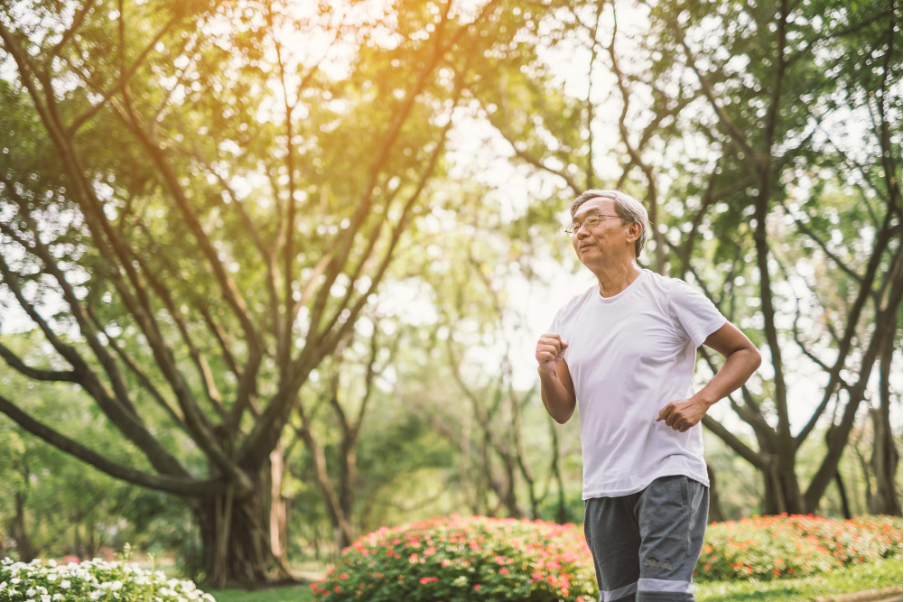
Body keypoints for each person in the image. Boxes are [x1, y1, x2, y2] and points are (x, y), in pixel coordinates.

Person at [535, 189, 761, 602]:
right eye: (576, 225)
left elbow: (745, 353)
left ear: (632, 230)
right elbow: (562, 410)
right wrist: (547, 370)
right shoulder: (569, 314)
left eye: (594, 220)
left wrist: (701, 401)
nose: (581, 232)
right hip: (603, 484)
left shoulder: (669, 295)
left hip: (667, 472)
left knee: (662, 596)